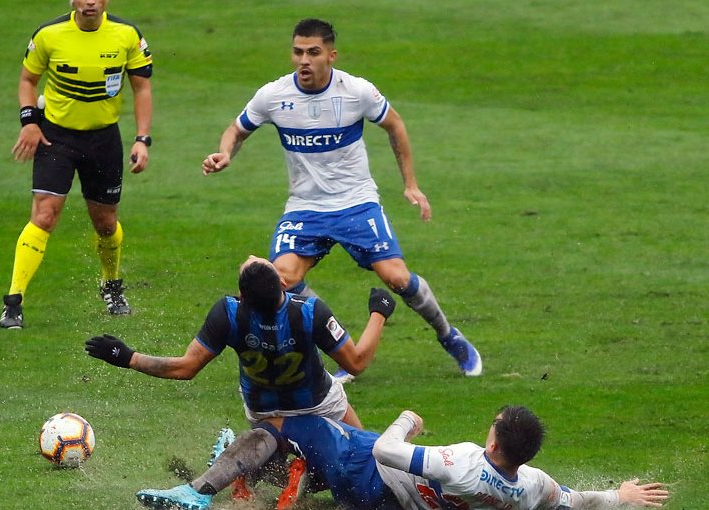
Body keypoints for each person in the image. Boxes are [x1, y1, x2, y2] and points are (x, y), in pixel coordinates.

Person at [201, 18, 481, 377]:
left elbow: (394, 124)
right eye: (298, 51)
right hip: (304, 207)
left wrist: (410, 184)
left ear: (331, 55)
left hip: (356, 202)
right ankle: (343, 347)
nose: (304, 60)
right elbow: (236, 130)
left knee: (396, 278)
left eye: (313, 52)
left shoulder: (357, 91)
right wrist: (225, 153)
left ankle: (448, 335)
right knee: (282, 279)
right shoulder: (273, 95)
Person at [136, 406, 669, 510]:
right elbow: (575, 500)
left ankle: (205, 491)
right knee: (313, 459)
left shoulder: (461, 461)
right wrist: (620, 497)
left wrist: (407, 421)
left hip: (371, 471)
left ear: (493, 445)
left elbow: (391, 449)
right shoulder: (530, 488)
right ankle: (248, 475)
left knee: (286, 425)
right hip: (391, 502)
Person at [85, 255, 397, 429]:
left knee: (273, 475)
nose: (251, 258)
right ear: (283, 286)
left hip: (264, 412)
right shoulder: (309, 312)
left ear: (243, 296)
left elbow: (185, 368)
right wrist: (378, 313)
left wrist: (127, 357)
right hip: (319, 403)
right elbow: (356, 362)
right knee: (364, 458)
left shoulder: (230, 314)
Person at [0, 0, 153, 329]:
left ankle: (111, 285)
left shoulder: (126, 35)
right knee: (44, 214)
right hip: (56, 137)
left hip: (103, 140)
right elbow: (28, 80)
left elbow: (142, 87)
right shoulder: (49, 35)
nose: (90, 2)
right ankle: (14, 301)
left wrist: (142, 139)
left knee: (106, 225)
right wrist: (29, 121)